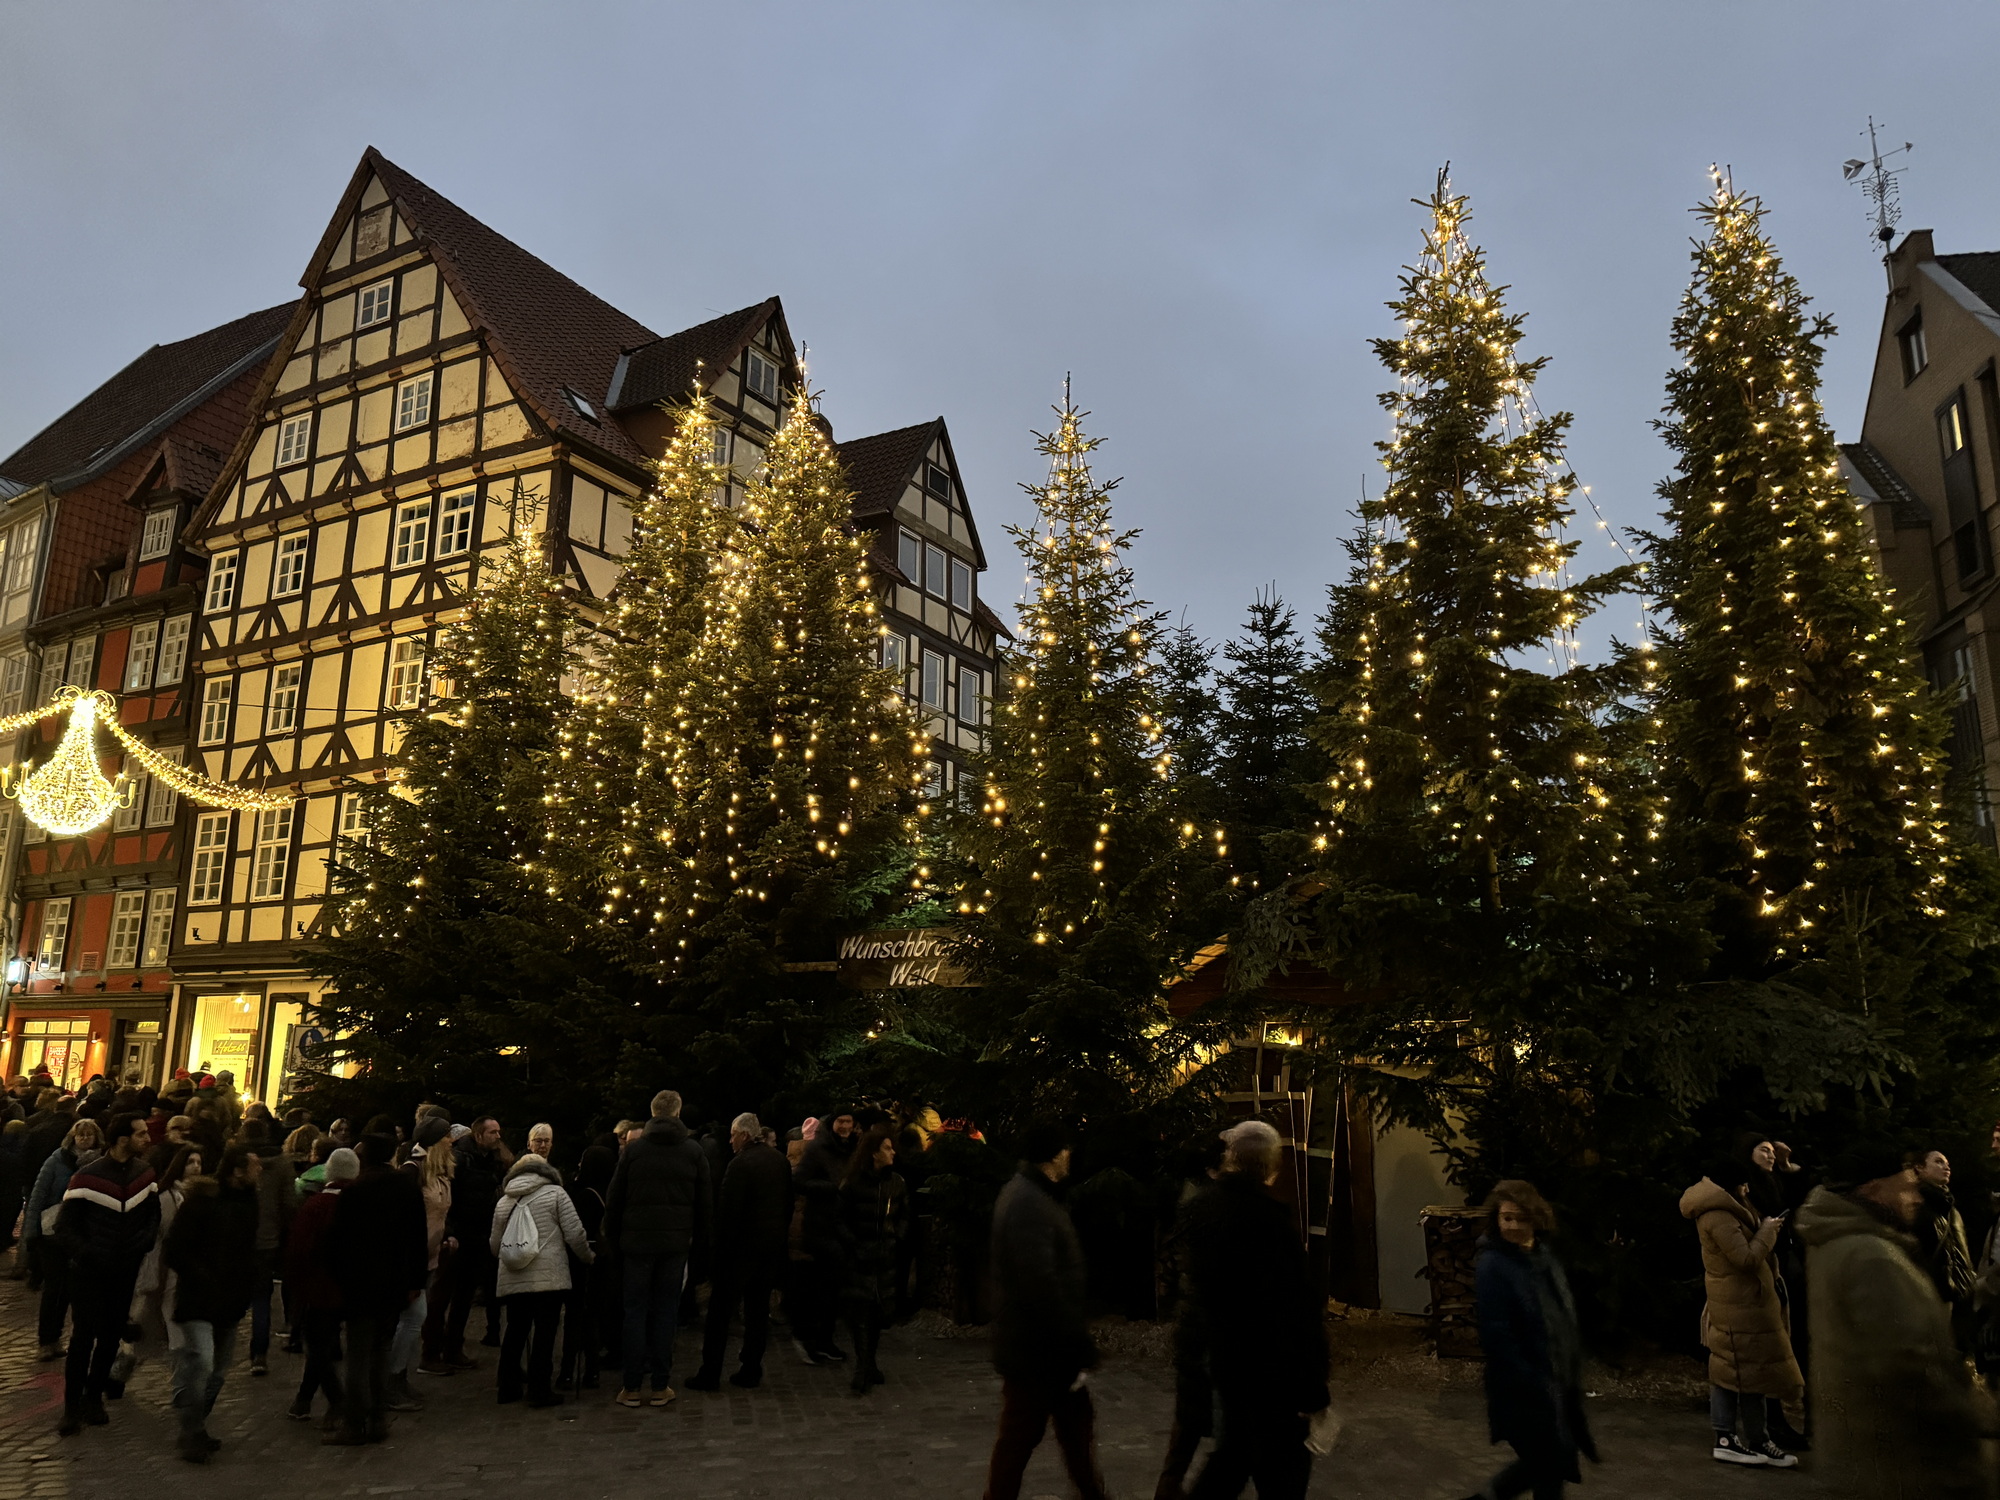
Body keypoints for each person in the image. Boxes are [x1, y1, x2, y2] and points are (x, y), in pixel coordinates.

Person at [1795, 1138, 1997, 1499]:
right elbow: (1915, 1371)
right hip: (1899, 1465)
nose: (1916, 1198)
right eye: (1906, 1188)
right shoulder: (1874, 1258)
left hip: (1858, 1453)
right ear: (1875, 1190)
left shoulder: (1832, 1240)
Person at [1175, 1120, 1329, 1500]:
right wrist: (1312, 1388)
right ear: (1271, 1168)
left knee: (1234, 1459)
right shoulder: (1270, 1224)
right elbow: (1298, 1310)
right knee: (1274, 1469)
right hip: (1270, 1371)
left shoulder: (1203, 1210)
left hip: (1226, 1363)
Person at [983, 1121, 1106, 1500]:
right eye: (1066, 1149)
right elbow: (1038, 1282)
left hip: (1043, 1347)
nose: (1071, 1155)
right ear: (1054, 1155)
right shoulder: (1028, 1202)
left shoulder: (1034, 1194)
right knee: (1021, 1437)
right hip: (1036, 1349)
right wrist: (1074, 1342)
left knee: (1072, 1432)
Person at [1470, 1180, 1595, 1500]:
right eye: (1506, 1217)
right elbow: (1497, 1333)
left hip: (1555, 1380)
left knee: (1546, 1465)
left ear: (1535, 1218)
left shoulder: (1543, 1258)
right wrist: (1530, 1377)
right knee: (1549, 1463)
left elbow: (1562, 1316)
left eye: (1519, 1218)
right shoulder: (1494, 1266)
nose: (1511, 1226)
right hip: (1524, 1387)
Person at [1680, 1166, 1803, 1467]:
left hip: (1747, 1306)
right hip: (1736, 1305)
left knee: (1751, 1372)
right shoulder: (1718, 1214)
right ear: (1733, 1186)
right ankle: (1726, 1438)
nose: (1748, 1189)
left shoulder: (1732, 1208)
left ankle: (1757, 1439)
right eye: (1744, 1184)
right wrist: (1767, 1232)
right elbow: (1744, 1258)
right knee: (1728, 1371)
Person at [602, 1088, 711, 1407]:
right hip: (675, 1243)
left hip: (636, 1244)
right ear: (677, 1113)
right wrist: (700, 1243)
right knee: (666, 1311)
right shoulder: (693, 1151)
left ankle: (632, 1386)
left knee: (634, 1311)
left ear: (652, 1113)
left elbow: (615, 1199)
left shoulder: (634, 1151)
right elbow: (705, 1204)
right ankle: (661, 1385)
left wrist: (614, 1238)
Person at [55, 1114, 161, 1437]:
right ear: (121, 1139)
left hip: (124, 1270)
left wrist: (142, 1243)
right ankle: (71, 1407)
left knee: (111, 1337)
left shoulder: (145, 1175)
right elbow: (65, 1226)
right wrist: (86, 1252)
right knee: (82, 1339)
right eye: (141, 1133)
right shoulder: (87, 1177)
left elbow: (152, 1218)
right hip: (89, 1271)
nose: (147, 1138)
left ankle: (93, 1398)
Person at [326, 1133, 428, 1445]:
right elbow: (417, 1237)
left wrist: (338, 1279)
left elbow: (337, 1242)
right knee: (381, 1349)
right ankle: (377, 1418)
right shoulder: (407, 1188)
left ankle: (356, 1421)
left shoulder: (355, 1191)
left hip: (360, 1283)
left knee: (358, 1354)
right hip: (393, 1282)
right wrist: (415, 1281)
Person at [163, 1142, 261, 1462]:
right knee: (203, 1362)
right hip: (199, 1300)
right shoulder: (202, 1202)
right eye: (254, 1166)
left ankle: (196, 1425)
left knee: (218, 1372)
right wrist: (202, 1276)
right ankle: (190, 1431)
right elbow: (175, 1248)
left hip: (230, 1302)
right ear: (236, 1170)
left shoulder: (249, 1202)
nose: (259, 1171)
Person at [688, 1112, 791, 1393]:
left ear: (744, 1135)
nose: (731, 1140)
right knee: (758, 1312)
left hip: (739, 1253)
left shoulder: (741, 1164)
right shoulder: (778, 1160)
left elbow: (727, 1215)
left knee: (719, 1314)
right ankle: (751, 1368)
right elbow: (787, 1206)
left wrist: (716, 1255)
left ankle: (710, 1372)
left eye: (733, 1135)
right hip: (768, 1250)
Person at [490, 1153, 594, 1407]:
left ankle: (507, 1386)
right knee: (545, 1332)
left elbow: (495, 1245)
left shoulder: (504, 1200)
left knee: (515, 1329)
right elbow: (575, 1233)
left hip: (514, 1276)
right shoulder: (556, 1195)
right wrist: (587, 1257)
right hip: (549, 1277)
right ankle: (539, 1390)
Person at [109, 1143, 204, 1398]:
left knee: (148, 1334)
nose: (196, 1167)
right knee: (165, 1332)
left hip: (177, 1272)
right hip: (163, 1273)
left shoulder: (194, 1195)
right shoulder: (168, 1198)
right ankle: (180, 1388)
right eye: (190, 1162)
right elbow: (166, 1236)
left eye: (198, 1162)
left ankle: (118, 1376)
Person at [286, 1146, 356, 1426]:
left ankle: (336, 1400)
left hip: (320, 1288)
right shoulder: (359, 1204)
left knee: (317, 1346)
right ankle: (304, 1399)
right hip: (352, 1287)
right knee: (324, 1346)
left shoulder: (315, 1206)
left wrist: (296, 1287)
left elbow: (298, 1250)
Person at [835, 1123, 907, 1396]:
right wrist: (855, 1245)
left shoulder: (896, 1184)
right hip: (860, 1257)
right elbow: (839, 1219)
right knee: (861, 1312)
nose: (892, 1153)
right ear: (873, 1152)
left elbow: (904, 1218)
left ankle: (869, 1363)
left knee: (877, 1314)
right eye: (887, 1148)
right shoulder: (853, 1184)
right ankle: (863, 1367)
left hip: (884, 1258)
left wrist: (894, 1239)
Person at [25, 1115, 99, 1360]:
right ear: (73, 1137)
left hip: (83, 1233)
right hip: (53, 1231)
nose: (85, 1139)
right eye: (81, 1135)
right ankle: (47, 1340)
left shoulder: (101, 1163)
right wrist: (31, 1232)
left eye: (90, 1135)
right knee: (55, 1287)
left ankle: (64, 1339)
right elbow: (38, 1194)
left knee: (72, 1289)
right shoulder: (57, 1160)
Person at [791, 1106, 858, 1364]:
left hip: (844, 1226)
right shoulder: (818, 1150)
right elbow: (799, 1182)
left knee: (834, 1289)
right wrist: (832, 1188)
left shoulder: (854, 1148)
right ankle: (811, 1339)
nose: (845, 1127)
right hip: (821, 1227)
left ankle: (825, 1340)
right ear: (832, 1123)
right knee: (820, 1289)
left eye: (849, 1122)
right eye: (841, 1121)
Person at [442, 1114, 510, 1363]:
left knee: (467, 1292)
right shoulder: (462, 1159)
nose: (498, 1136)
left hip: (481, 1233)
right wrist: (452, 1231)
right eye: (493, 1132)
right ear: (479, 1135)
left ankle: (453, 1346)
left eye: (498, 1131)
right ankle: (448, 1347)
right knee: (455, 1294)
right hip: (462, 1234)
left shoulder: (492, 1160)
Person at [560, 1137, 616, 1391]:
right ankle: (592, 1372)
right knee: (594, 1316)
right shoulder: (611, 1191)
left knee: (574, 1316)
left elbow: (575, 1231)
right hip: (604, 1259)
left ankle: (567, 1372)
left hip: (581, 1258)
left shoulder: (582, 1194)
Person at [1913, 1147, 1977, 1353]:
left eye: (1947, 1162)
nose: (1946, 1166)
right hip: (1931, 1300)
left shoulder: (1951, 1210)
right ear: (1919, 1169)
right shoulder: (1914, 1206)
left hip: (1959, 1300)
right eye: (1938, 1162)